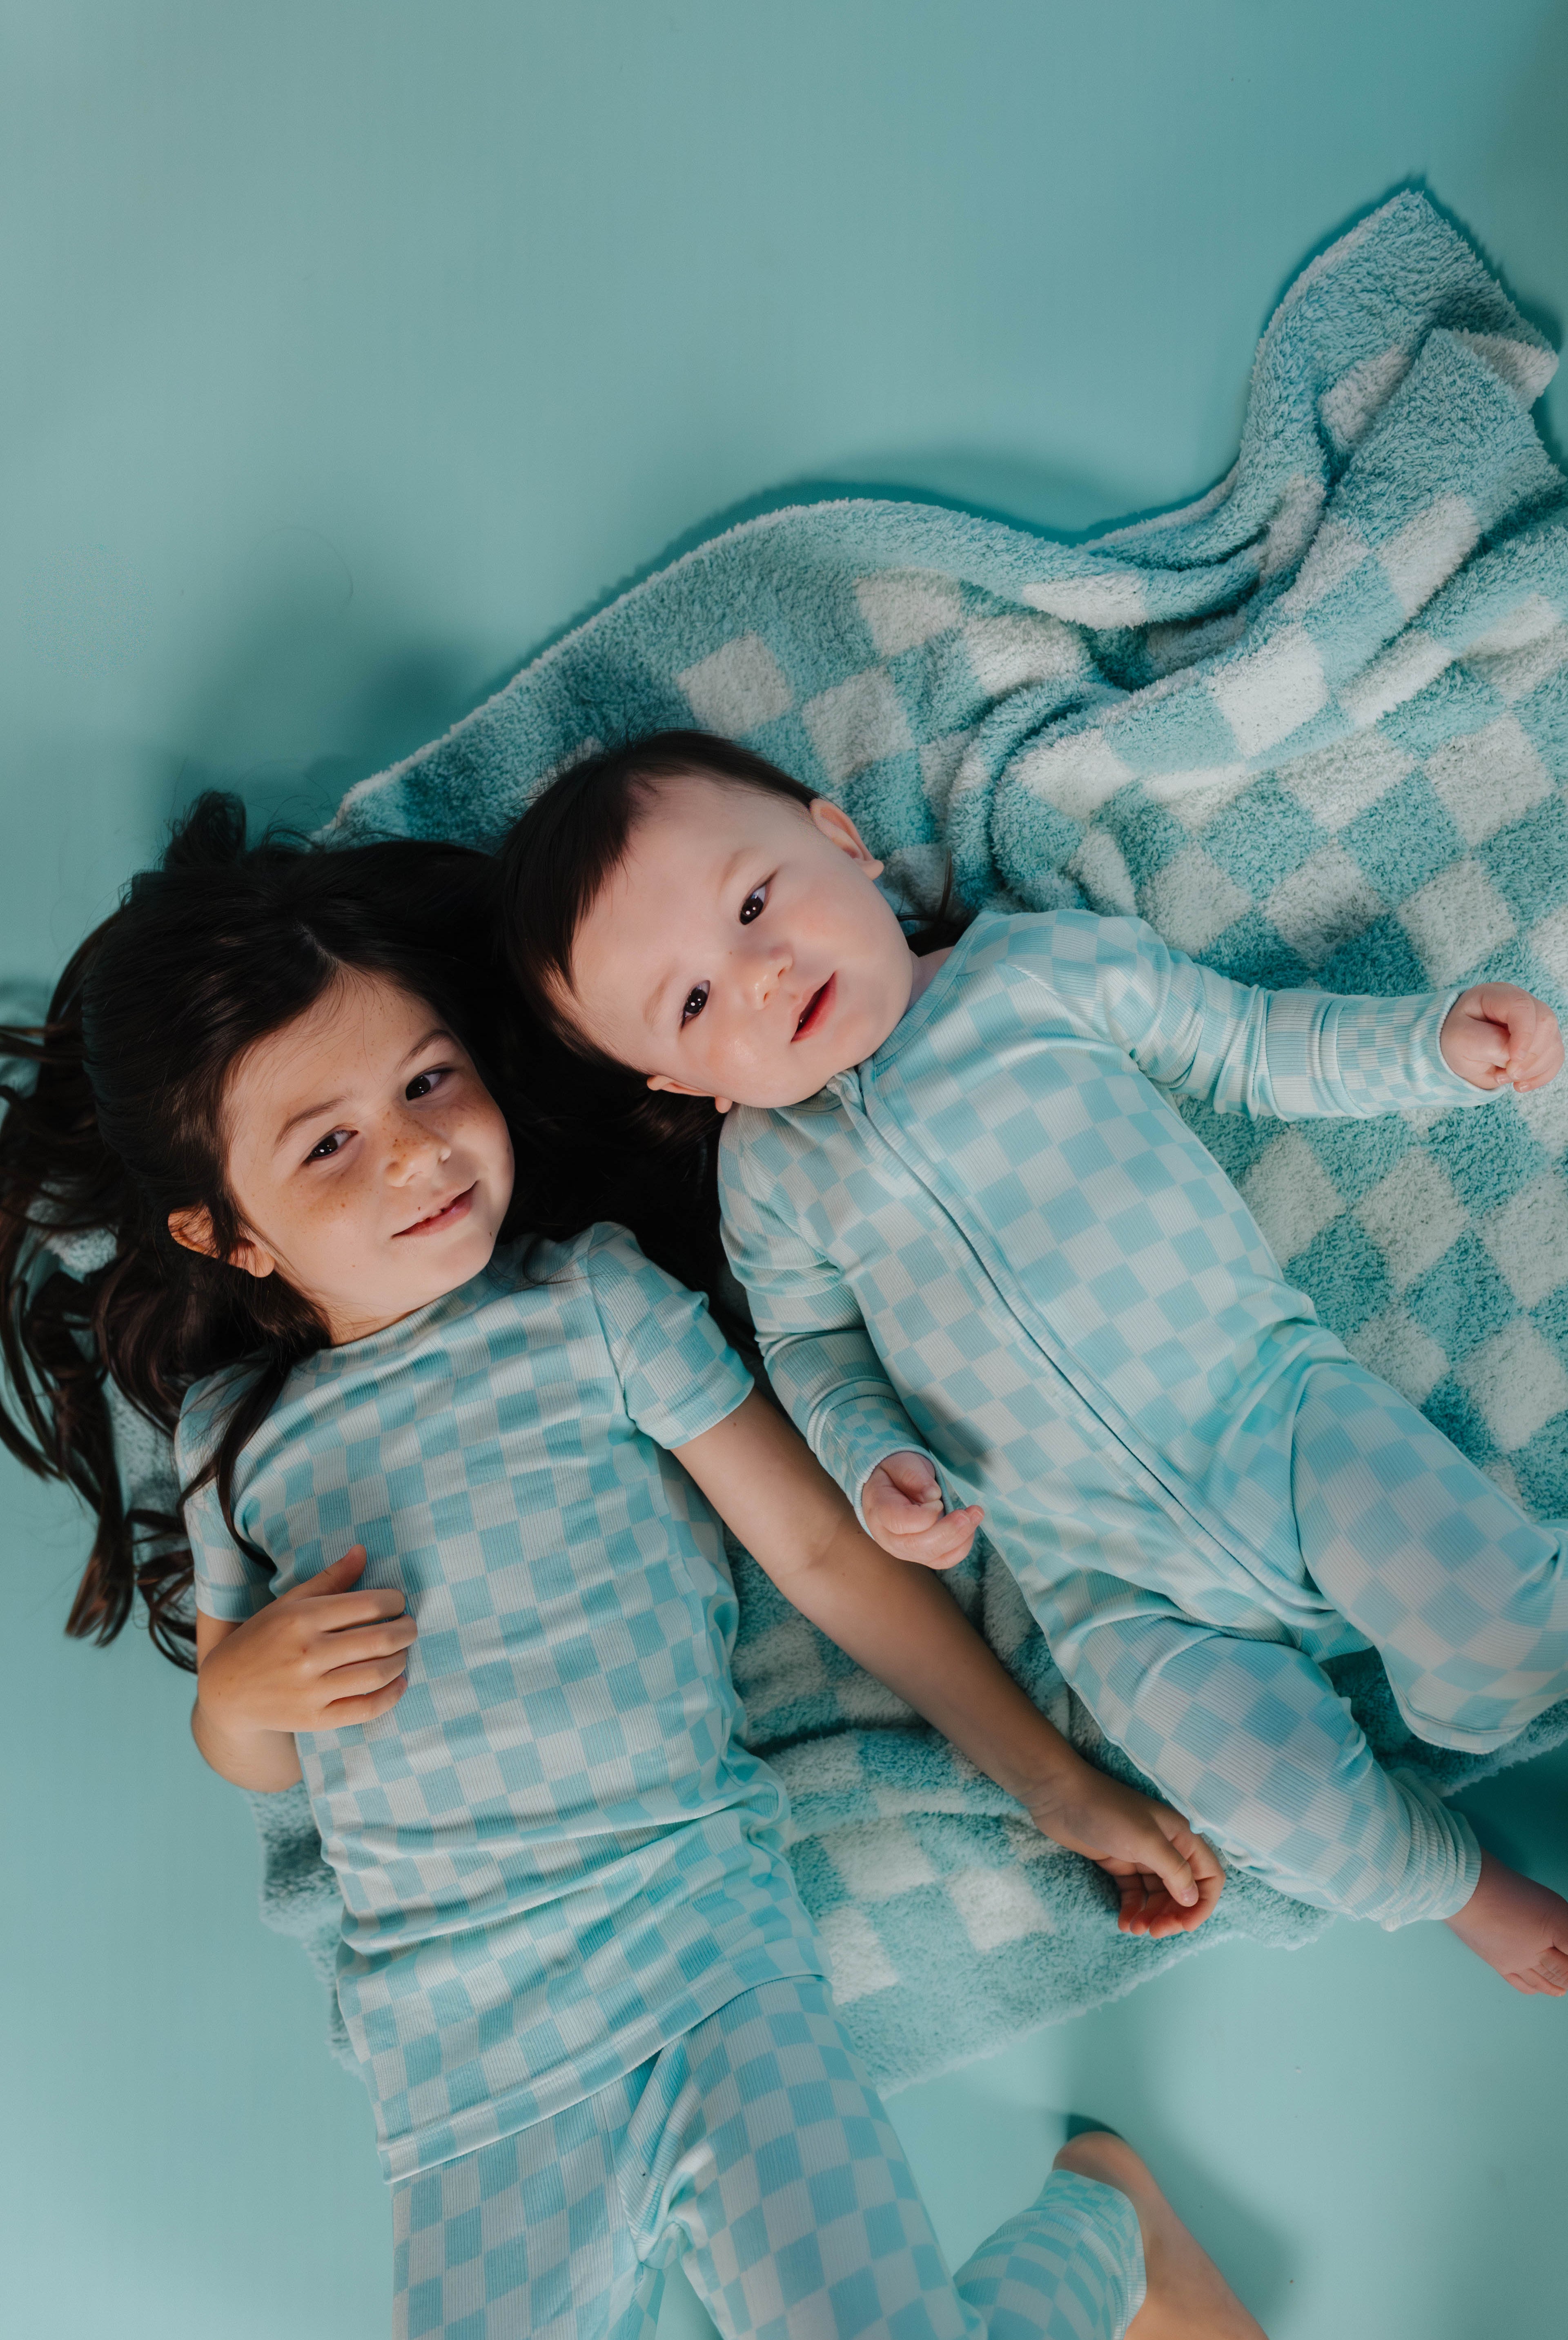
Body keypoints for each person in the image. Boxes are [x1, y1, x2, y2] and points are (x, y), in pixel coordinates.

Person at [0, 795, 1256, 2340]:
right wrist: (235, 1693)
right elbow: (258, 1759)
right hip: (465, 2078)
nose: (415, 1153)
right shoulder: (239, 1445)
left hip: (707, 1970)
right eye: (328, 1145)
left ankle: (1109, 2230)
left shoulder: (596, 1304)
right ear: (231, 1234)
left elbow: (815, 1549)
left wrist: (1050, 1778)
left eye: (430, 1080)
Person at [497, 729, 1568, 1998]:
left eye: (751, 902)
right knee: (1266, 1798)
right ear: (679, 1080)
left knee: (1508, 1617)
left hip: (1280, 1421)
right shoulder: (770, 1183)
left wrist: (1427, 1047)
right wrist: (874, 1461)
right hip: (1106, 1580)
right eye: (690, 1002)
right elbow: (810, 1349)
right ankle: (1467, 1890)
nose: (762, 975)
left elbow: (1250, 1042)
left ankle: (1503, 1700)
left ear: (841, 840)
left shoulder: (1037, 970)